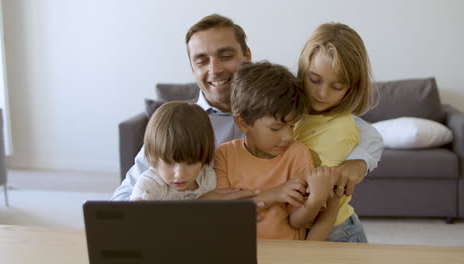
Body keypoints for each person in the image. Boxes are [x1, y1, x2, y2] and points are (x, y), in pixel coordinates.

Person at [111, 14, 383, 202]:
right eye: (202, 60)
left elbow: (360, 129)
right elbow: (126, 196)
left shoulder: (274, 98)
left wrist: (360, 160)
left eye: (226, 56)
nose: (215, 69)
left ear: (247, 56)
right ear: (192, 68)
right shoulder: (181, 126)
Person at [215, 61, 334, 240]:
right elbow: (224, 215)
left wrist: (315, 201)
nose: (287, 136)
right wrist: (273, 195)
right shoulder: (224, 154)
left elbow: (296, 222)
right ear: (243, 123)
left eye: (292, 126)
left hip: (285, 254)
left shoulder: (297, 153)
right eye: (276, 128)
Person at [293, 22, 376, 242]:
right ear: (303, 68)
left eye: (337, 86)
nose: (322, 93)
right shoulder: (292, 110)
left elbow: (322, 201)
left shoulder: (340, 130)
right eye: (314, 79)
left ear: (353, 87)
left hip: (334, 233)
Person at [129, 101, 216, 201]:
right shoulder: (150, 184)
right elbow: (133, 213)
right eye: (168, 163)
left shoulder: (208, 178)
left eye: (190, 163)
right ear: (154, 159)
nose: (180, 175)